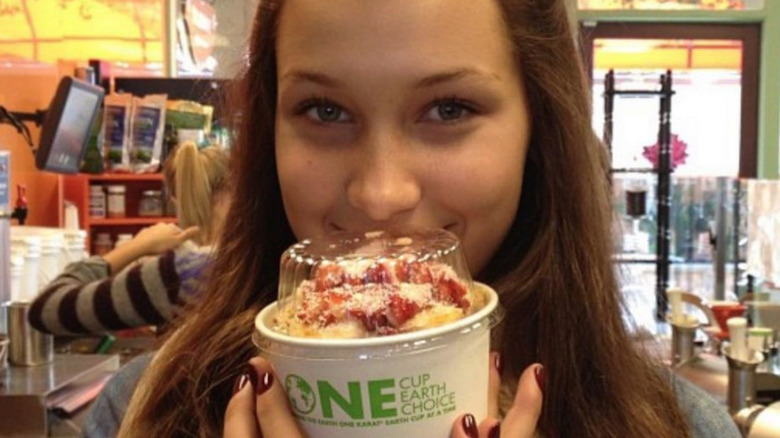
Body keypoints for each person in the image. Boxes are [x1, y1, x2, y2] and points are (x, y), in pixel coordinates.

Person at [105, 1, 740, 437]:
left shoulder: (681, 426)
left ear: (538, 129)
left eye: (448, 109)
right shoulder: (140, 410)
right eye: (325, 111)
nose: (381, 195)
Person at [28, 142, 229, 335]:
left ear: (176, 198)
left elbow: (46, 309)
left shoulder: (178, 275)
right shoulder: (250, 264)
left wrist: (136, 246)